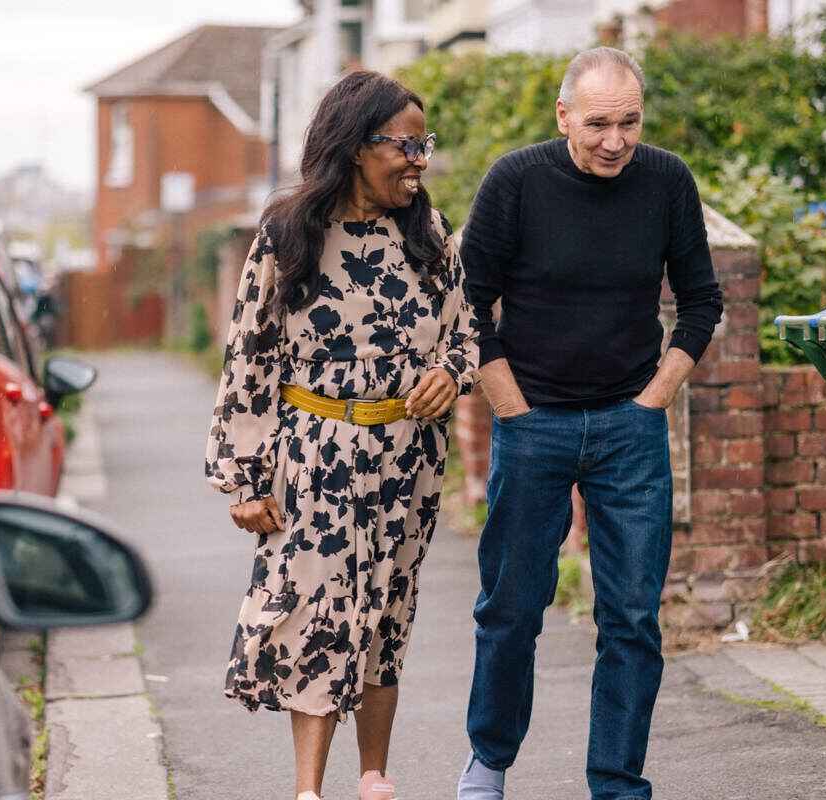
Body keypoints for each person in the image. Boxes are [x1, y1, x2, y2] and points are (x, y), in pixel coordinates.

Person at [456, 47, 725, 800]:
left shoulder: (667, 180)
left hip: (628, 428)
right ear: (564, 116)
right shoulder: (516, 182)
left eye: (630, 122)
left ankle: (616, 783)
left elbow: (701, 301)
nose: (616, 141)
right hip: (532, 422)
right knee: (511, 608)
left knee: (633, 620)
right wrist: (510, 405)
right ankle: (489, 761)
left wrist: (655, 398)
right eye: (599, 124)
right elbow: (467, 306)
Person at [206, 70, 478, 800]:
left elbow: (467, 331)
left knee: (388, 616)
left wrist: (451, 372)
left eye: (426, 145)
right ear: (358, 146)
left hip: (407, 461)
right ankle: (308, 792)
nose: (419, 159)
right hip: (316, 459)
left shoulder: (428, 231)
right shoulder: (290, 232)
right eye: (406, 145)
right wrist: (243, 476)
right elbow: (249, 357)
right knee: (319, 620)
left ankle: (373, 779)